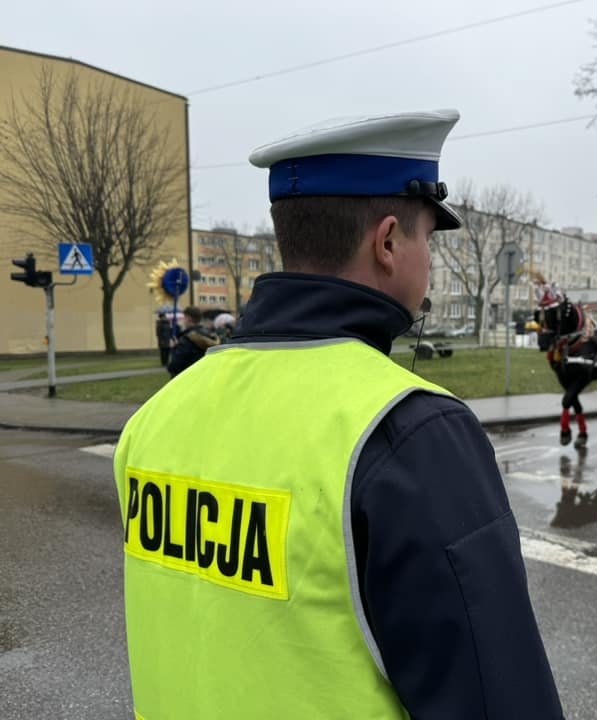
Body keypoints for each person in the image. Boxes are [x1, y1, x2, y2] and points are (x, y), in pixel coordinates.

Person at [113, 110, 563, 719]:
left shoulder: (154, 420)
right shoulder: (411, 432)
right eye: (427, 237)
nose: (429, 258)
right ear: (387, 243)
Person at [165, 305, 219, 377]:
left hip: (188, 380)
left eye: (184, 318)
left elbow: (174, 367)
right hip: (206, 378)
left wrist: (174, 348)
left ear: (188, 319)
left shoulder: (187, 340)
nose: (183, 321)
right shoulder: (211, 336)